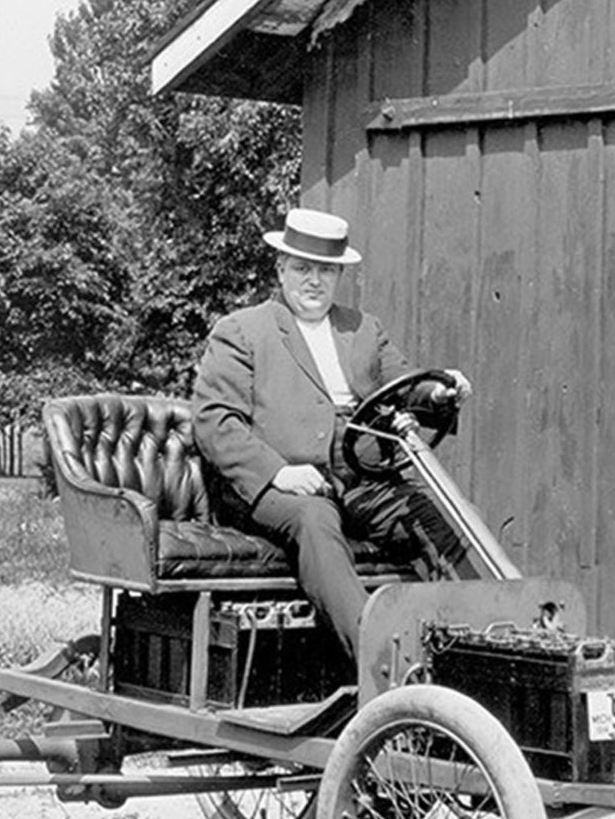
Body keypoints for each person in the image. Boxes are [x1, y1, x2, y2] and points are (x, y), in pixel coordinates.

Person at [193, 207, 472, 659]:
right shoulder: (243, 331)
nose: (314, 281)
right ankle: (380, 659)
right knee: (315, 519)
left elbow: (406, 384)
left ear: (340, 275)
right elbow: (214, 421)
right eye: (302, 268)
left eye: (326, 270)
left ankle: (472, 647)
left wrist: (439, 393)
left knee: (436, 513)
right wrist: (278, 473)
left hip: (361, 480)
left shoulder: (363, 329)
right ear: (280, 268)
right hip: (276, 489)